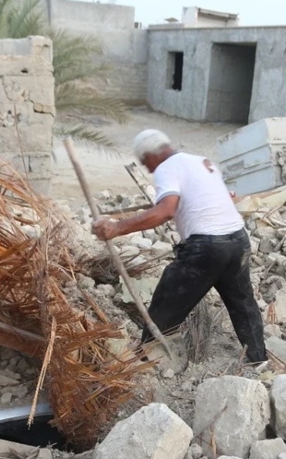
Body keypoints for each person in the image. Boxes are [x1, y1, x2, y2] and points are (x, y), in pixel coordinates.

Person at [91, 129, 267, 363]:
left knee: (168, 300)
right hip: (237, 240)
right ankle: (258, 359)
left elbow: (166, 210)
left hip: (207, 247)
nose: (148, 169)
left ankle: (144, 357)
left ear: (151, 156)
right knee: (243, 303)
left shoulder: (167, 167)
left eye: (145, 163)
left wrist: (117, 227)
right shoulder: (201, 161)